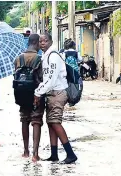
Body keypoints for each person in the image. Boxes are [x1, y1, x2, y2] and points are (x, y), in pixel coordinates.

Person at [34, 33, 78, 164]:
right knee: (51, 123)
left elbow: (51, 80)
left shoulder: (53, 57)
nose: (42, 43)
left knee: (55, 122)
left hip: (58, 92)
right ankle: (54, 155)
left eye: (45, 41)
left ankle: (70, 154)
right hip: (51, 93)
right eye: (40, 41)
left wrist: (38, 92)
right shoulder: (45, 56)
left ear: (51, 42)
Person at [14, 34, 44, 162]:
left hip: (21, 94)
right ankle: (35, 154)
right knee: (36, 121)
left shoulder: (18, 58)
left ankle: (25, 151)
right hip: (36, 94)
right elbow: (42, 79)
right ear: (37, 43)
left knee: (24, 120)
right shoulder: (39, 59)